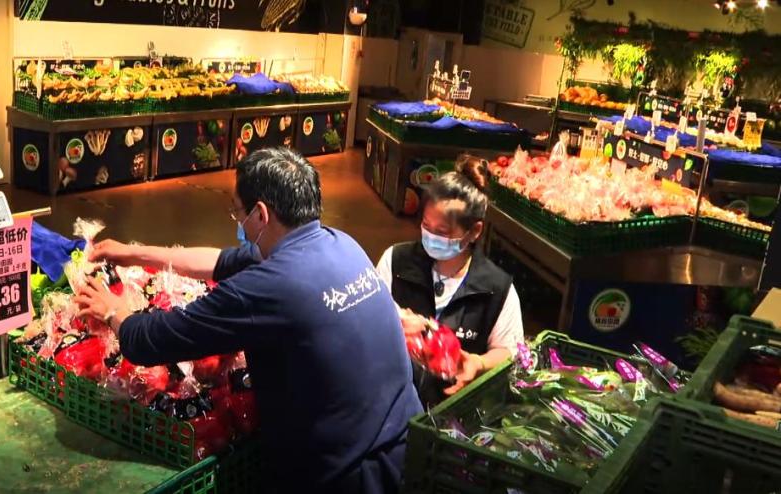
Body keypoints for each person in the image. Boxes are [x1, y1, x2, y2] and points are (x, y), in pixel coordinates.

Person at [74, 147, 422, 493]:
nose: (237, 222)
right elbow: (220, 262)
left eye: (237, 211)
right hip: (406, 448)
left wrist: (113, 311)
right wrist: (134, 253)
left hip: (349, 477)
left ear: (261, 214)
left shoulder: (271, 286)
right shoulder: (340, 243)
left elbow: (154, 341)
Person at [376, 156, 524, 406]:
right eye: (426, 225)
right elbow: (370, 318)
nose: (430, 236)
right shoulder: (396, 261)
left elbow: (510, 351)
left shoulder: (497, 288)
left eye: (442, 232)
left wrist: (478, 363)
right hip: (393, 401)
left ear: (474, 231)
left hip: (455, 411)